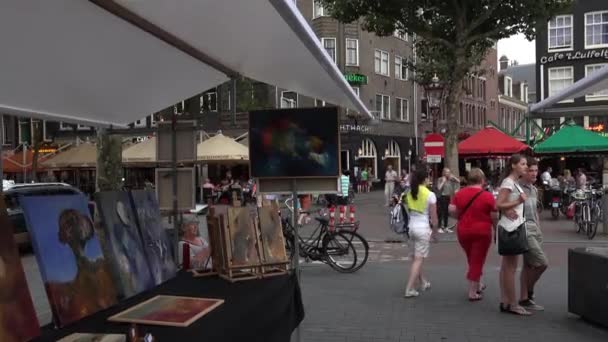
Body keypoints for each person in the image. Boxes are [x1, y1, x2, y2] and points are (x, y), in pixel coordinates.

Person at [449, 168, 496, 301]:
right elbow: (494, 215)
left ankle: (478, 283)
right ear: (482, 180)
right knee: (478, 260)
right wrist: (496, 229)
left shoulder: (459, 193)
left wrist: (459, 217)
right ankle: (472, 292)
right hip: (482, 231)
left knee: (472, 257)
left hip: (463, 230)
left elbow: (451, 210)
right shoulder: (487, 196)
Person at [495, 154, 531, 316]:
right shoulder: (509, 182)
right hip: (511, 229)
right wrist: (518, 202)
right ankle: (513, 304)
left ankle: (505, 301)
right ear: (513, 166)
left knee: (506, 268)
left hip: (511, 226)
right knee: (510, 268)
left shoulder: (513, 183)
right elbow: (499, 203)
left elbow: (502, 205)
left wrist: (508, 208)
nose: (526, 167)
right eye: (523, 164)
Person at [518, 158, 548, 311]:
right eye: (531, 170)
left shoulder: (534, 189)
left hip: (534, 229)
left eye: (536, 170)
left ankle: (525, 298)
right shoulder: (517, 188)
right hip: (524, 229)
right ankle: (528, 291)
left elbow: (535, 210)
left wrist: (539, 226)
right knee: (542, 263)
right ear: (524, 171)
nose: (534, 173)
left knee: (528, 265)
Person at [403, 168, 439, 298]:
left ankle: (423, 282)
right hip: (423, 228)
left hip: (411, 228)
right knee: (418, 259)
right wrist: (434, 233)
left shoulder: (409, 193)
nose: (429, 179)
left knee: (415, 259)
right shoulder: (430, 195)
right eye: (428, 177)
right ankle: (409, 288)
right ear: (424, 179)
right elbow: (434, 219)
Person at [437, 168, 459, 233]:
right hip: (442, 196)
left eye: (449, 172)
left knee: (446, 212)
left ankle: (446, 227)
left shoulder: (450, 179)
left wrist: (454, 177)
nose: (448, 173)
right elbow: (439, 188)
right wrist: (443, 182)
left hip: (448, 197)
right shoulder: (440, 179)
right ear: (444, 173)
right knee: (441, 212)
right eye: (447, 172)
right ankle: (439, 227)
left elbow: (458, 181)